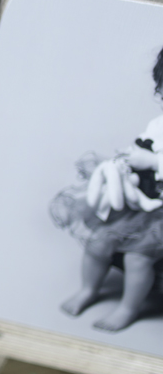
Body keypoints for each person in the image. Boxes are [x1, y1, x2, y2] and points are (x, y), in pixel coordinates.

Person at [56, 46, 163, 331]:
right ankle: (88, 290)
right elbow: (140, 150)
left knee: (138, 257)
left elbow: (151, 158)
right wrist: (120, 164)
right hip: (144, 202)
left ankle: (128, 308)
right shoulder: (158, 125)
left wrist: (152, 161)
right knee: (99, 241)